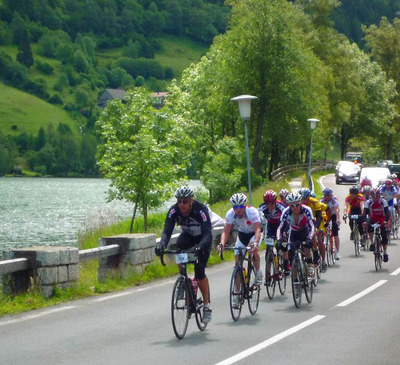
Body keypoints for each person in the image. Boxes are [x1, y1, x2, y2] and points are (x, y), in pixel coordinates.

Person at [155, 186, 213, 324]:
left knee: (199, 273)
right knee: (179, 247)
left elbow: (208, 233)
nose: (182, 204)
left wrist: (200, 247)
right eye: (179, 201)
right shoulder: (174, 210)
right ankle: (183, 279)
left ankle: (206, 306)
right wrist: (162, 244)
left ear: (191, 201)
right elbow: (167, 231)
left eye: (185, 201)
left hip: (203, 239)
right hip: (188, 236)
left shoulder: (201, 210)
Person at [218, 193, 263, 286]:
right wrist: (222, 244)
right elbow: (225, 231)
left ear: (245, 206)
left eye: (240, 206)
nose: (238, 209)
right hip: (242, 234)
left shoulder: (252, 212)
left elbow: (257, 230)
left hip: (254, 233)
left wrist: (255, 243)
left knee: (252, 250)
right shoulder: (230, 214)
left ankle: (258, 271)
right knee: (237, 262)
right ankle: (237, 293)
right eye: (235, 207)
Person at [277, 192, 315, 276]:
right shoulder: (285, 212)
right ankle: (295, 280)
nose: (295, 208)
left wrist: (309, 238)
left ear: (300, 203)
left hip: (305, 231)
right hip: (293, 232)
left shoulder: (307, 210)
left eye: (297, 205)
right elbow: (280, 228)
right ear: (289, 205)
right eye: (292, 206)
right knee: (291, 254)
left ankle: (310, 264)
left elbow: (312, 226)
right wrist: (279, 239)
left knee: (306, 247)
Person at [259, 190, 290, 275]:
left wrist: (285, 233)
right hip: (271, 226)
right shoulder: (262, 208)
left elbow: (286, 220)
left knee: (283, 244)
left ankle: (286, 263)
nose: (270, 206)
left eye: (272, 204)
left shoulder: (281, 207)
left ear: (275, 202)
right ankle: (268, 272)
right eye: (267, 204)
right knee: (268, 248)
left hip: (281, 224)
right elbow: (258, 220)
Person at [299, 187, 326, 267]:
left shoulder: (315, 202)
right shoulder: (298, 204)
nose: (303, 201)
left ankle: (323, 261)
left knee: (319, 238)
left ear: (309, 197)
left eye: (305, 199)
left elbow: (319, 216)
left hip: (316, 220)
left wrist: (316, 228)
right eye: (302, 199)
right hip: (305, 222)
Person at [364, 187, 389, 262]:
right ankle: (372, 242)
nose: (375, 198)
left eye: (377, 196)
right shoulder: (368, 202)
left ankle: (385, 253)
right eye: (373, 196)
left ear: (379, 195)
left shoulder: (383, 202)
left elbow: (387, 213)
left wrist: (386, 221)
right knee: (369, 226)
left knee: (384, 235)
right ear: (371, 196)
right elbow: (365, 213)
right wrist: (365, 221)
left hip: (382, 218)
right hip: (373, 217)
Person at [343, 185, 365, 256]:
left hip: (358, 209)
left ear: (357, 193)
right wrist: (344, 214)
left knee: (360, 223)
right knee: (351, 221)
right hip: (352, 210)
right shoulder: (348, 197)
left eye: (354, 194)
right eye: (351, 193)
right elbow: (345, 206)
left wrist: (362, 213)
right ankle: (352, 231)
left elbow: (362, 205)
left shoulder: (360, 196)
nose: (352, 195)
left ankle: (362, 238)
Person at [320, 187, 341, 257]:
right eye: (325, 195)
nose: (326, 197)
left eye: (328, 195)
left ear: (331, 195)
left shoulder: (334, 201)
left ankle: (337, 251)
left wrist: (338, 219)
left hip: (333, 216)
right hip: (325, 216)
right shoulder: (322, 201)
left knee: (335, 233)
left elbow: (337, 210)